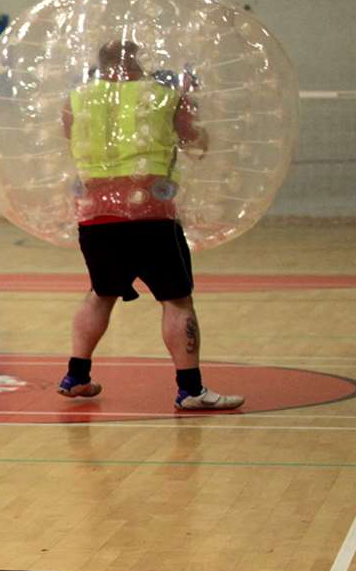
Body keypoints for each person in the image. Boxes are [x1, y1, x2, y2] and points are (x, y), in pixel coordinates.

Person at [57, 38, 241, 411]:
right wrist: (191, 107)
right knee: (177, 300)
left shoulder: (76, 99)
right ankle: (190, 388)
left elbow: (70, 137)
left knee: (100, 292)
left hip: (94, 215)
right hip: (151, 214)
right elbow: (197, 144)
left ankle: (77, 376)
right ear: (136, 59)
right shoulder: (162, 95)